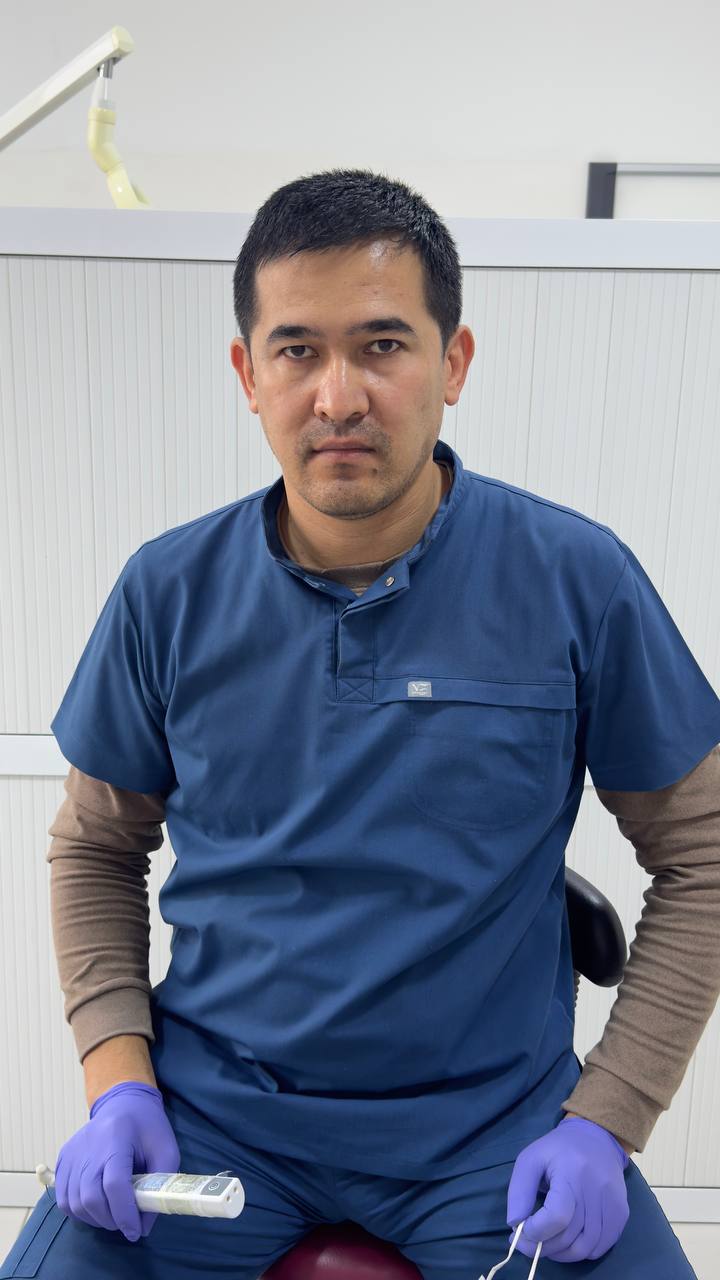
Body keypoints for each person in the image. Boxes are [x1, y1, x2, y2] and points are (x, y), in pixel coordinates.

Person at [5, 168, 720, 1280]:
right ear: (248, 375)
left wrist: (607, 1119)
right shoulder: (168, 593)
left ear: (455, 362)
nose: (338, 396)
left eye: (383, 346)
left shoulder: (576, 581)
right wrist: (118, 1083)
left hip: (491, 1129)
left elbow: (704, 854)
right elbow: (97, 847)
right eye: (297, 351)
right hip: (215, 1115)